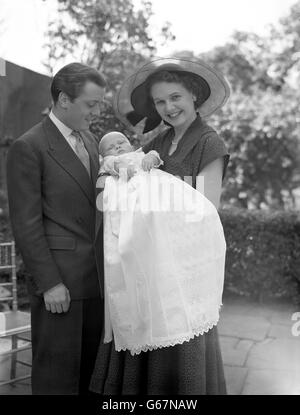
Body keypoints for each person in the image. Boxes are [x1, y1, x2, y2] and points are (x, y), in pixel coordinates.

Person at [90, 57, 230, 395]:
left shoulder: (210, 143)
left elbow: (205, 211)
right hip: (148, 264)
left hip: (183, 269)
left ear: (194, 95)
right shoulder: (156, 144)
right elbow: (128, 182)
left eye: (176, 97)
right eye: (160, 101)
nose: (168, 107)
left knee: (178, 349)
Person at [6, 62, 106, 395]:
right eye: (90, 104)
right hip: (59, 286)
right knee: (57, 381)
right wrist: (50, 284)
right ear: (63, 99)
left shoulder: (90, 140)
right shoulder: (28, 146)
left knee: (91, 377)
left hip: (96, 281)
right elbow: (27, 223)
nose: (95, 112)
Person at [95, 130, 226, 357]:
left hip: (157, 185)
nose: (117, 148)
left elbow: (155, 156)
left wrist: (150, 159)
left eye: (121, 142)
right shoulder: (112, 162)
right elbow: (111, 170)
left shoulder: (143, 152)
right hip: (132, 189)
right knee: (138, 225)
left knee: (182, 204)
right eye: (110, 147)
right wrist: (123, 167)